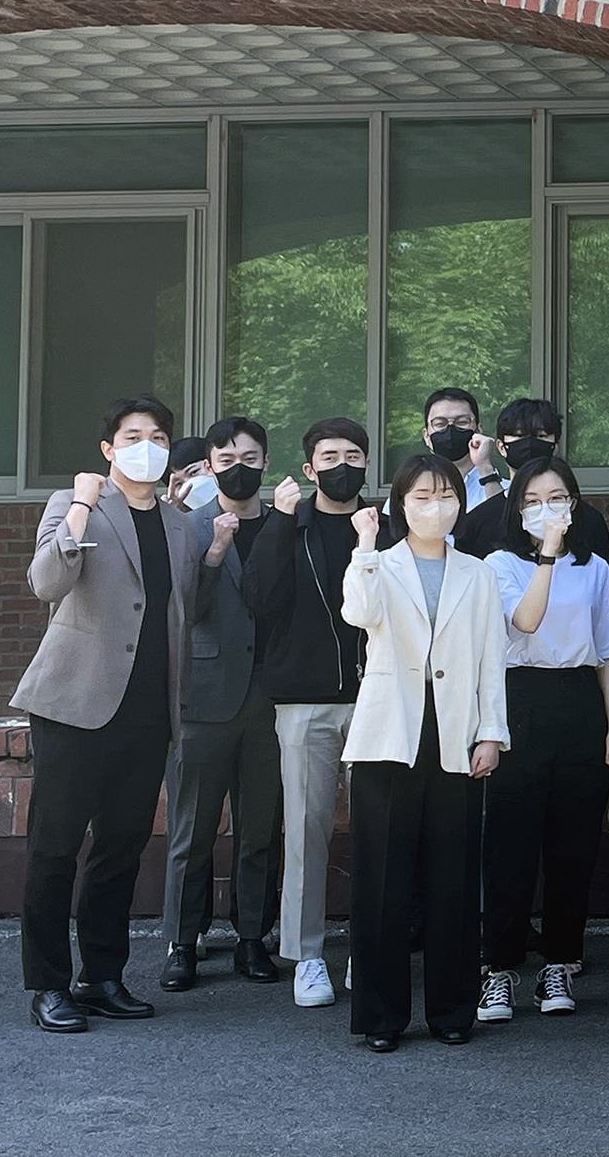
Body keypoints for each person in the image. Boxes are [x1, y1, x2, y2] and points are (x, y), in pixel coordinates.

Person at [18, 396, 198, 1033]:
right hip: (74, 704)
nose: (146, 446)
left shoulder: (180, 525)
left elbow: (180, 610)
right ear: (108, 449)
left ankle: (101, 975)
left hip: (146, 710)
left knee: (121, 848)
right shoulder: (77, 505)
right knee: (54, 849)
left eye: (158, 437)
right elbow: (46, 583)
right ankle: (48, 984)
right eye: (132, 436)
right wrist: (81, 503)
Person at [338, 455, 507, 1051]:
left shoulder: (478, 574)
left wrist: (492, 732)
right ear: (400, 505)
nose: (436, 508)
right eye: (422, 497)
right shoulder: (378, 563)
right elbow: (358, 613)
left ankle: (452, 1009)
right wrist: (364, 544)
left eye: (446, 496)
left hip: (456, 733)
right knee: (381, 878)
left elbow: (492, 658)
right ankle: (380, 1017)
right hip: (389, 734)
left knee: (453, 877)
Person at [478, 455, 609, 1024]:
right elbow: (525, 621)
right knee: (510, 845)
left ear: (574, 503)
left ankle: (560, 962)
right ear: (517, 509)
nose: (547, 510)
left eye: (557, 499)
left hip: (578, 702)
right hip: (520, 699)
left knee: (574, 846)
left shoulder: (594, 567)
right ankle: (499, 968)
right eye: (533, 501)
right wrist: (546, 555)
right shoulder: (498, 564)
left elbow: (607, 646)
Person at [241, 415, 371, 1010]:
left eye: (353, 456)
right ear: (309, 467)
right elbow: (258, 597)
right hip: (304, 701)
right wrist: (279, 520)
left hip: (376, 700)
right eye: (329, 457)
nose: (342, 466)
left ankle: (370, 947)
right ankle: (307, 955)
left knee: (379, 831)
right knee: (305, 830)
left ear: (366, 464)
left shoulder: (384, 526)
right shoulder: (289, 524)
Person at [160, 416, 283, 992]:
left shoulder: (285, 524)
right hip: (204, 694)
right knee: (192, 830)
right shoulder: (189, 526)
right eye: (227, 459)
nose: (240, 468)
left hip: (272, 696)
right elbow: (182, 609)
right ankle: (183, 942)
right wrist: (215, 552)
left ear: (266, 462)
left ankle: (253, 937)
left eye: (250, 458)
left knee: (260, 828)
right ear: (209, 466)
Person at [455, 398, 609, 559]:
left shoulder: (588, 520)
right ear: (501, 447)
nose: (529, 443)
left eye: (540, 435)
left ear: (555, 446)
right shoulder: (477, 522)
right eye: (519, 436)